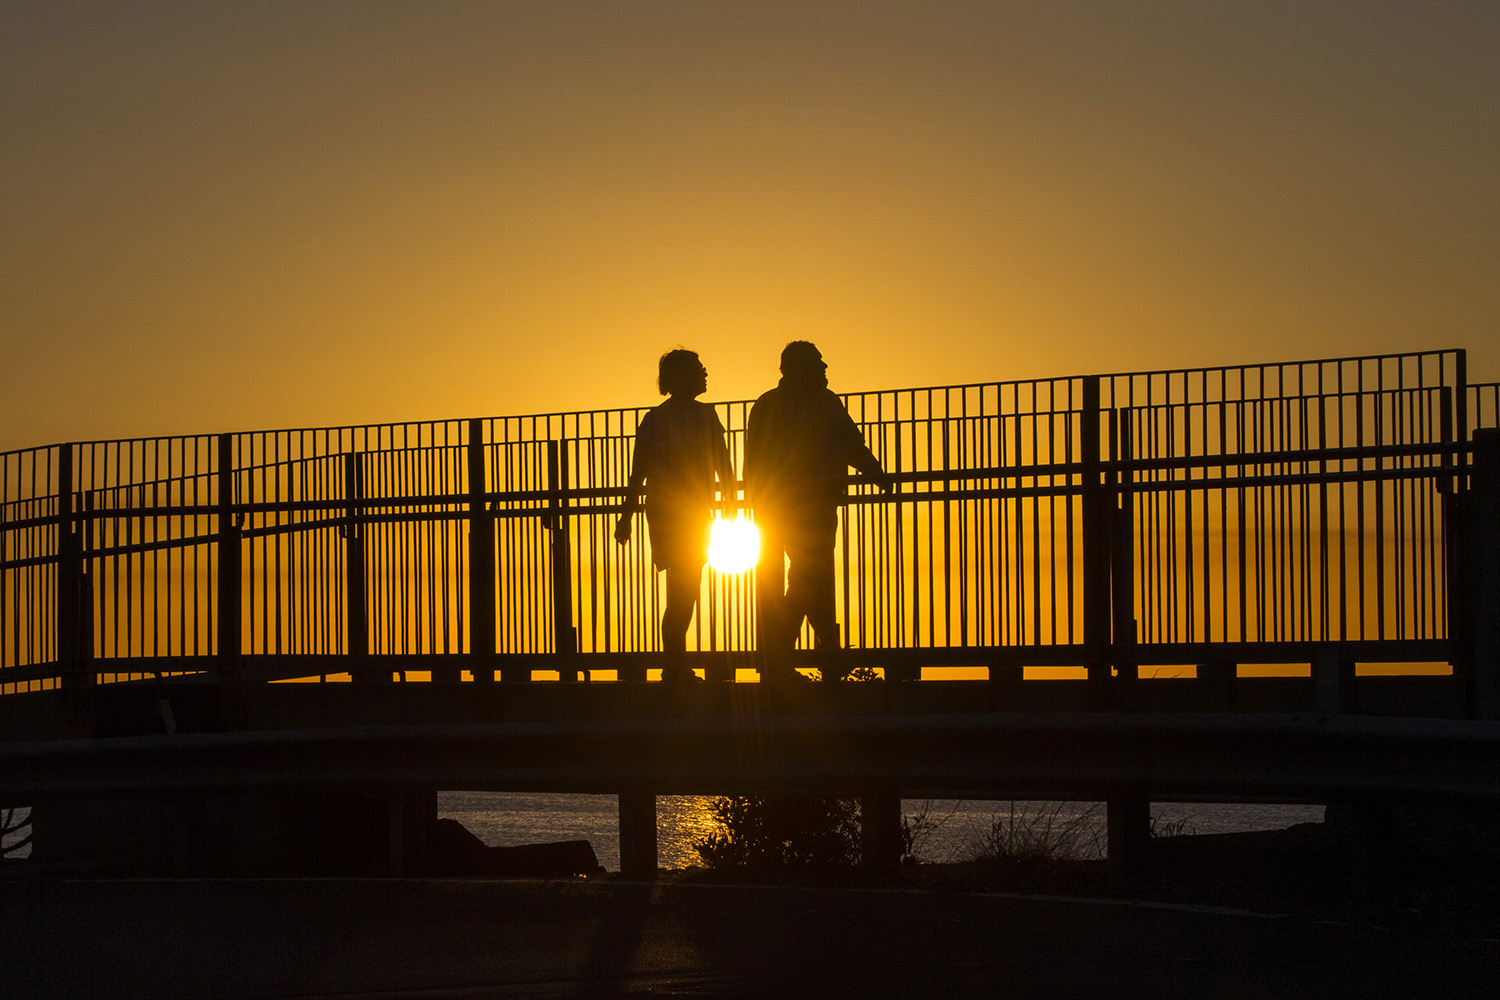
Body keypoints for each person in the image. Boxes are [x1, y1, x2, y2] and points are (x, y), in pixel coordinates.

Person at [744, 341, 889, 680]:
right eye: (818, 364)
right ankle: (818, 651)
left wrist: (874, 471)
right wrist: (875, 472)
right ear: (798, 368)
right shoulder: (808, 404)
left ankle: (798, 653)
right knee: (809, 575)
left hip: (793, 506)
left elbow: (851, 443)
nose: (825, 369)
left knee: (808, 576)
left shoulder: (795, 403)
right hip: (794, 506)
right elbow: (850, 443)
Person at [615, 348, 735, 682]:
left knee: (684, 584)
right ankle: (674, 664)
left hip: (678, 510)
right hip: (681, 510)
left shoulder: (659, 419)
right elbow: (720, 463)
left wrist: (626, 516)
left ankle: (674, 662)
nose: (705, 372)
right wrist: (729, 502)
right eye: (699, 368)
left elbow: (639, 473)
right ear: (682, 376)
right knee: (686, 584)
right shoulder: (689, 417)